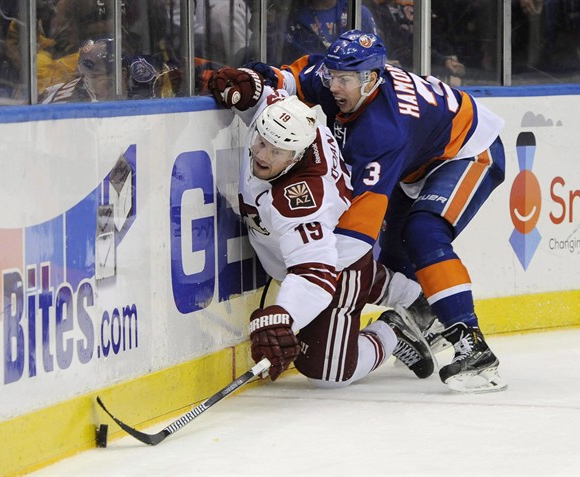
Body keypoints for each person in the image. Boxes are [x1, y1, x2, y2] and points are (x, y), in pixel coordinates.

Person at [208, 30, 507, 393]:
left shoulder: (383, 133)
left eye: (344, 79)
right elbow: (289, 80)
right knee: (396, 258)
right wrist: (254, 81)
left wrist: (315, 278)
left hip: (469, 150)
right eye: (332, 75)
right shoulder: (339, 79)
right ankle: (413, 318)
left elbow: (357, 234)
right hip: (416, 159)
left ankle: (471, 344)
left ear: (372, 79)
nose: (334, 85)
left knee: (423, 232)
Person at [206, 71, 436, 385]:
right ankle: (409, 295)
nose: (261, 154)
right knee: (339, 283)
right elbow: (267, 98)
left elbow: (315, 272)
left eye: (276, 152)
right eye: (262, 142)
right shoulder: (286, 124)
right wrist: (247, 90)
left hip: (341, 263)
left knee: (327, 369)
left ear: (296, 155)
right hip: (329, 246)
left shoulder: (299, 199)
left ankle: (395, 330)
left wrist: (284, 319)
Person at [39, 38, 180, 103]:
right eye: (88, 79)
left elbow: (178, 83)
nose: (93, 86)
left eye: (109, 83)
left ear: (123, 73)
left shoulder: (144, 71)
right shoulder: (68, 100)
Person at [282, 0, 377, 64]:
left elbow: (374, 54)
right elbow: (294, 61)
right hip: (313, 83)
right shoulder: (299, 18)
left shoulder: (359, 12)